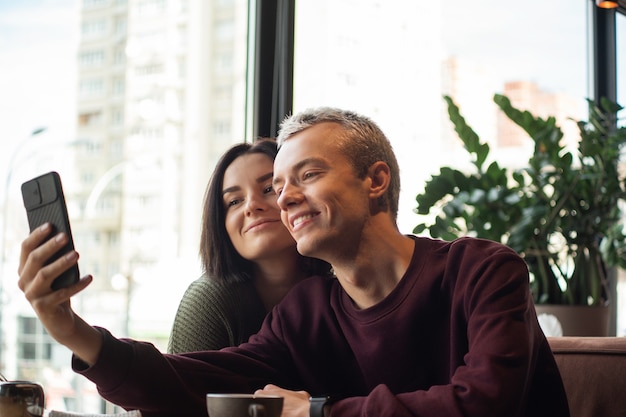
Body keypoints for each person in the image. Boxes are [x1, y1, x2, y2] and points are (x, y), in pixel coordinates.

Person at [18, 107, 570, 417]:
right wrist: (71, 330)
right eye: (278, 186)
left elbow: (485, 405)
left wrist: (316, 413)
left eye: (305, 176)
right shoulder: (303, 314)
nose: (281, 200)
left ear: (375, 180)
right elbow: (192, 382)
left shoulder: (483, 270)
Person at [167, 139, 331, 353]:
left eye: (269, 188)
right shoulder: (208, 300)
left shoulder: (341, 290)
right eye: (234, 201)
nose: (252, 206)